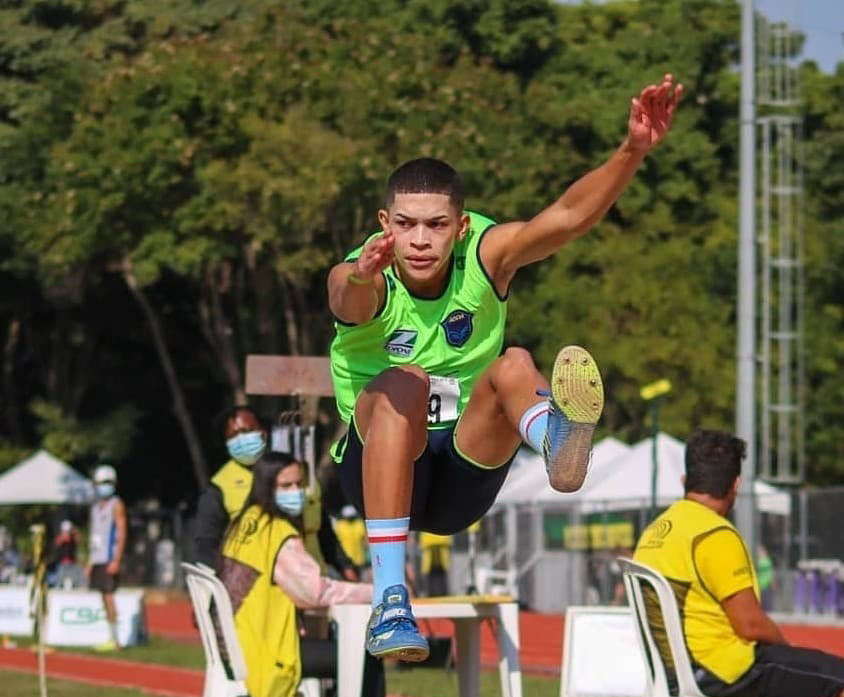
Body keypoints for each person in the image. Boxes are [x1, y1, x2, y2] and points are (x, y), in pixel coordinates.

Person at [327, 74, 683, 660]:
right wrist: (364, 272)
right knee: (404, 382)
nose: (420, 240)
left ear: (460, 227)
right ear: (385, 222)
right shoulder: (368, 269)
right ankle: (391, 599)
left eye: (437, 225)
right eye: (407, 224)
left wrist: (633, 150)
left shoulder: (486, 254)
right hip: (383, 471)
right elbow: (345, 296)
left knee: (515, 364)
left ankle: (556, 443)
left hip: (464, 474)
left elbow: (566, 218)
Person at [634, 429, 844, 697]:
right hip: (723, 674)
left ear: (685, 480)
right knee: (834, 677)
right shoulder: (714, 534)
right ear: (736, 485)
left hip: (673, 675)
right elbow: (750, 625)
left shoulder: (655, 532)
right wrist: (786, 650)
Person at [220, 452, 384, 697]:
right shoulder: (278, 534)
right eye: (286, 485)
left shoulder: (245, 523)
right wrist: (379, 591)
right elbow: (315, 592)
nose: (295, 492)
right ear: (267, 487)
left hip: (240, 642)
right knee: (367, 656)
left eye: (299, 484)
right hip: (270, 651)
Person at [193, 405, 356, 580]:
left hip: (313, 581)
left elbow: (322, 530)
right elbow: (206, 545)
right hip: (259, 588)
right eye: (234, 435)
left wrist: (346, 567)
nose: (242, 439)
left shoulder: (296, 472)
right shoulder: (220, 486)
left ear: (264, 432)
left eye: (248, 431)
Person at [86, 464, 127, 651]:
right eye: (102, 482)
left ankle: (115, 639)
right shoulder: (95, 507)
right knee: (103, 596)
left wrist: (116, 559)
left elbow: (121, 531)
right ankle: (109, 635)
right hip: (98, 558)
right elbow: (95, 536)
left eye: (108, 482)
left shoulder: (116, 504)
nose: (105, 486)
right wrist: (90, 560)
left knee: (109, 596)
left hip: (109, 558)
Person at [53, 519, 83, 589]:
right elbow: (57, 542)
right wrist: (64, 536)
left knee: (76, 582)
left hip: (72, 563)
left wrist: (75, 532)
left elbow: (78, 540)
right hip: (62, 563)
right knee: (59, 583)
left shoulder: (73, 537)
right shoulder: (60, 537)